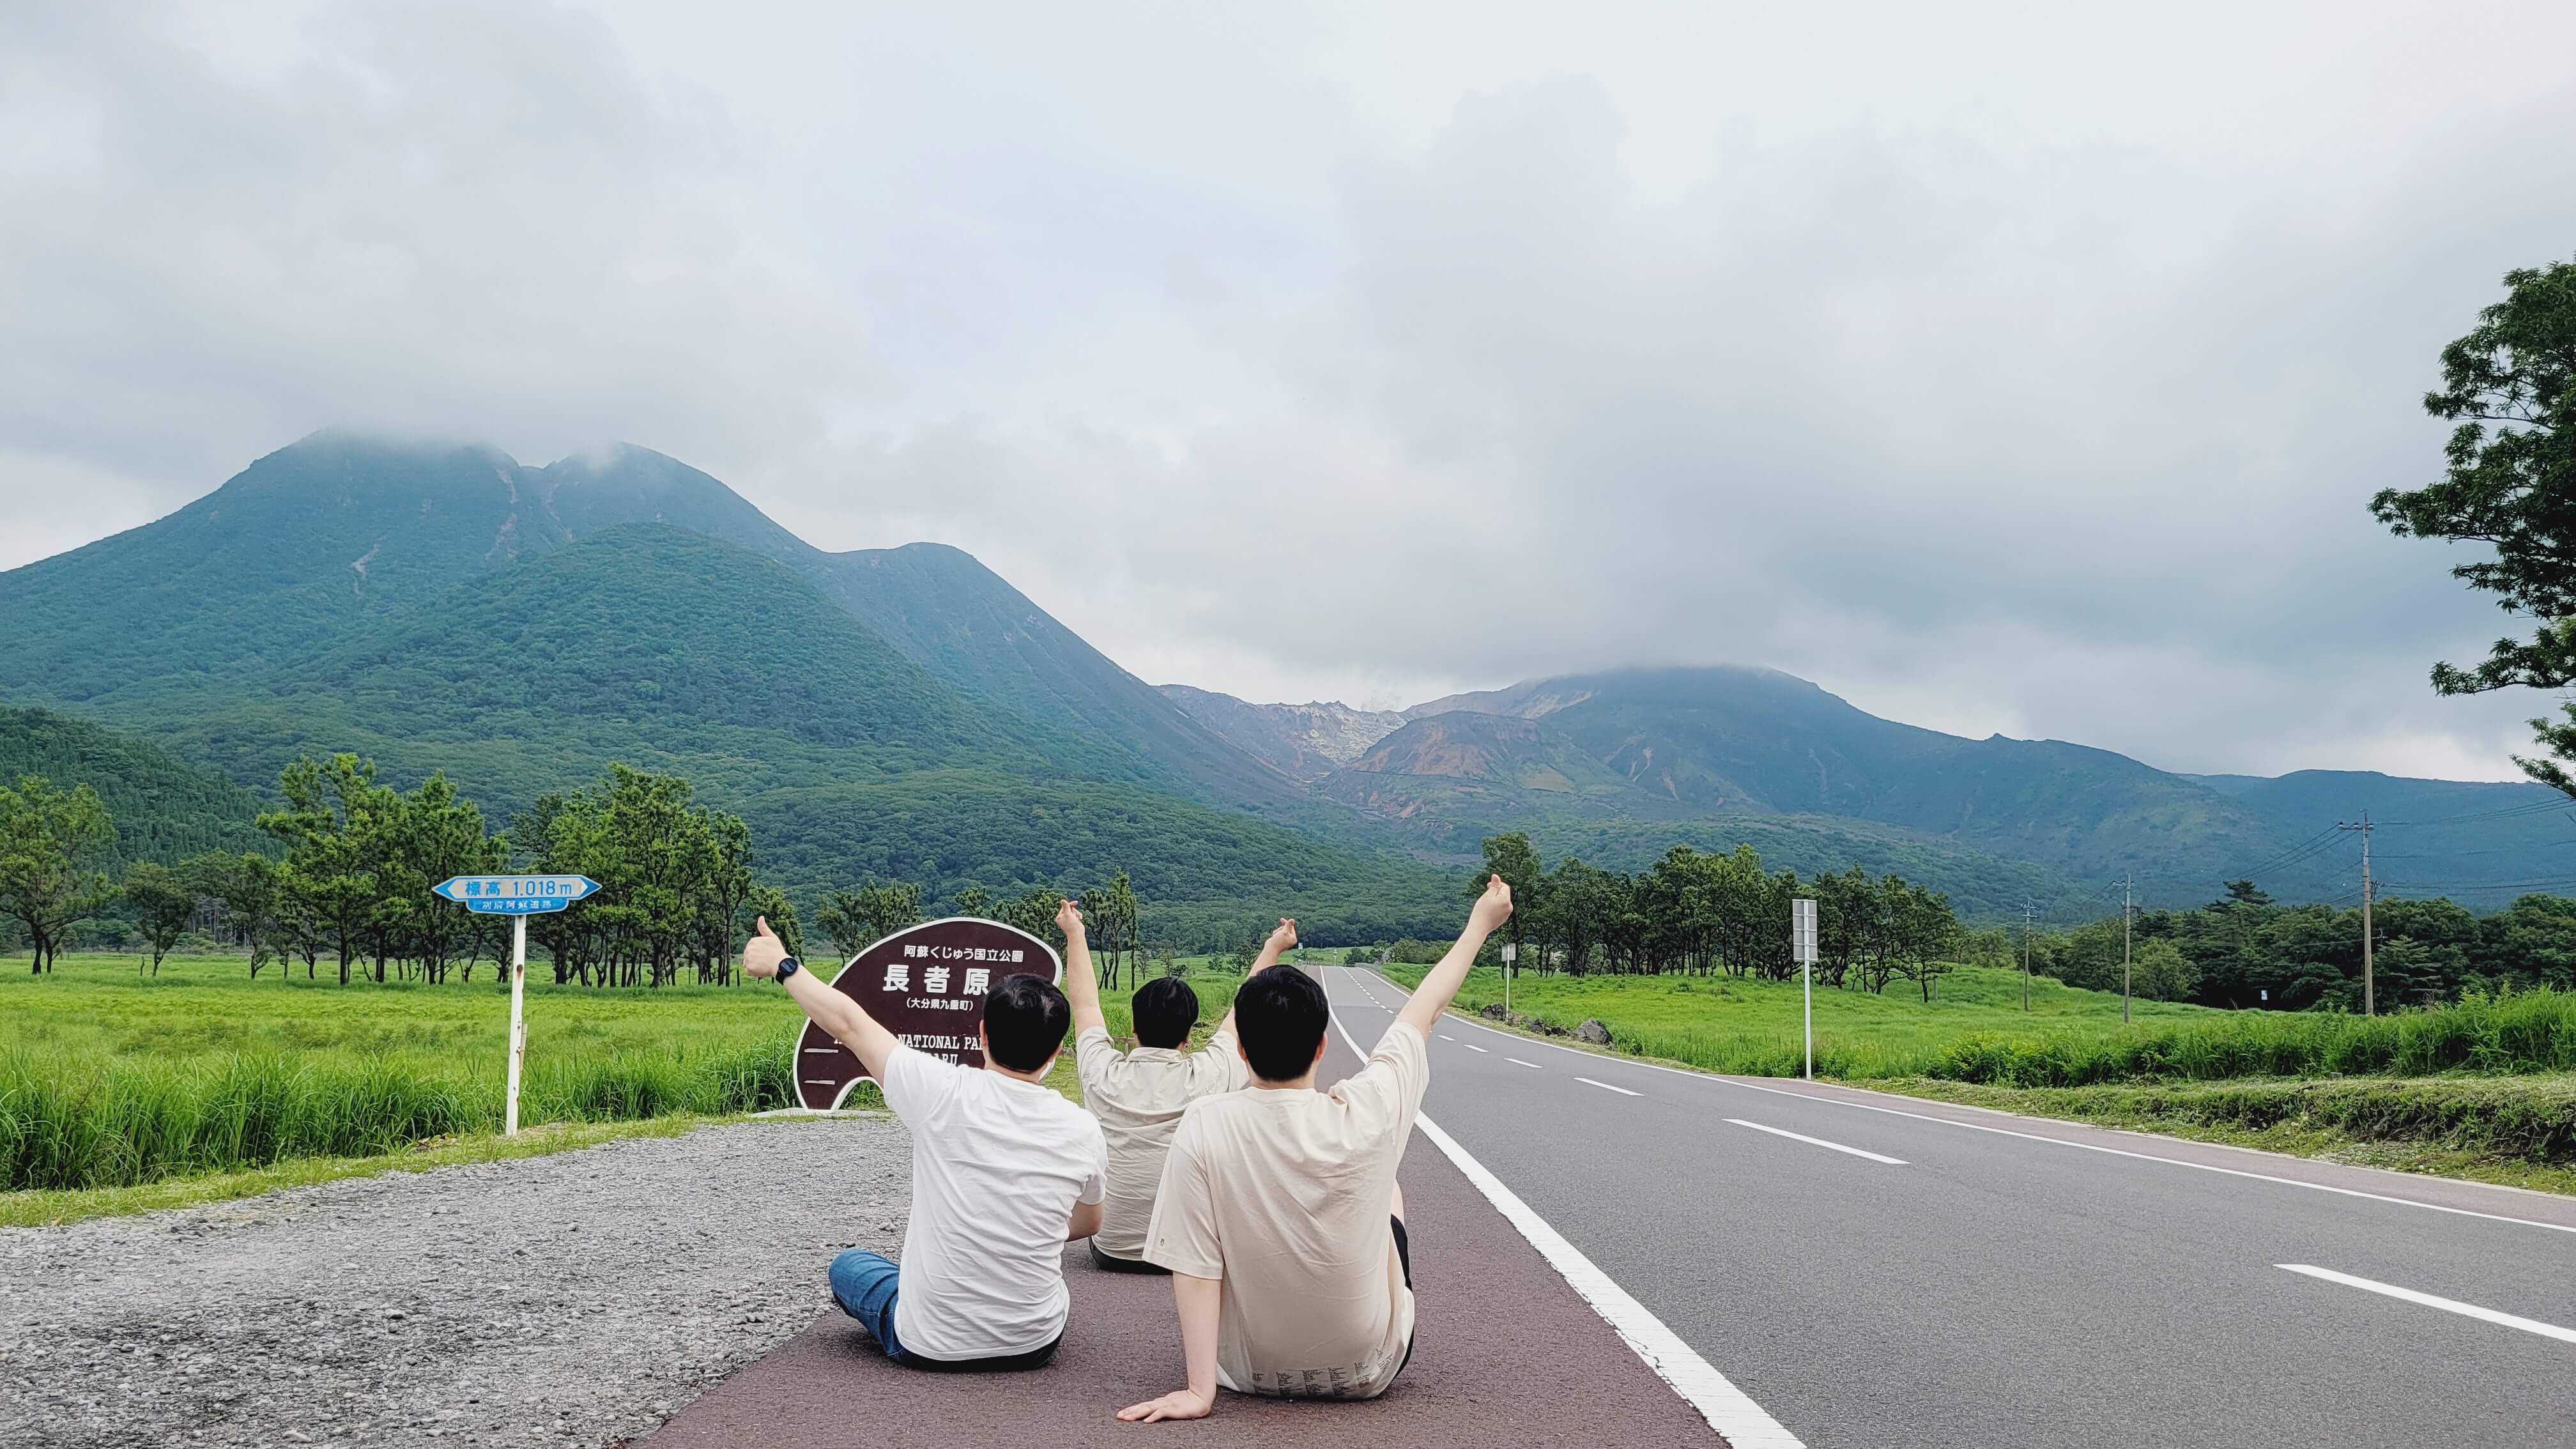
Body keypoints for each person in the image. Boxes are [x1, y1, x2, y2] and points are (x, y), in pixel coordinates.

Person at [1118, 875, 1513, 1422]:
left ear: (1240, 1047)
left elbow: (1195, 1265)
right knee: (1390, 1193)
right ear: (1323, 1044)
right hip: (1369, 1371)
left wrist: (1199, 1390)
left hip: (1245, 1373)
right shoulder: (1370, 1106)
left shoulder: (1206, 1122)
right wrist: (1479, 925)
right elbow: (1423, 1012)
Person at [740, 915, 1106, 1370]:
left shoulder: (940, 1093)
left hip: (928, 1342)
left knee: (850, 1267)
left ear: (982, 1035)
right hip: (1034, 1342)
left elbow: (850, 1025)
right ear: (1056, 1052)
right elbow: (1089, 1223)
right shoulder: (1081, 1127)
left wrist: (785, 965)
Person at [1059, 901, 1292, 1271]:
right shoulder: (1212, 1074)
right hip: (1186, 1253)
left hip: (1112, 1250)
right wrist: (1272, 949)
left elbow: (1085, 1003)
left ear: (1133, 1029)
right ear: (1189, 1035)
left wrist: (1075, 933)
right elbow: (1240, 1011)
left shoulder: (1101, 1072)